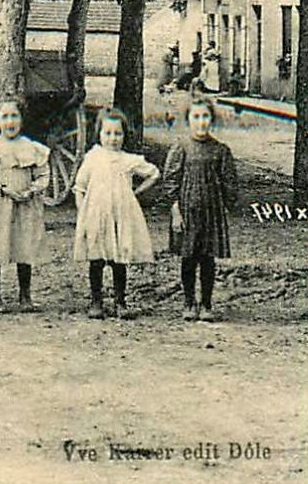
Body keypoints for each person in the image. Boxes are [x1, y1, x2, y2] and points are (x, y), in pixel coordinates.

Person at [72, 107, 160, 319]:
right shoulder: (92, 157)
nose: (113, 138)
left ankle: (120, 301)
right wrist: (82, 214)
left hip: (120, 216)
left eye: (118, 133)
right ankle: (96, 302)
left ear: (124, 135)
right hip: (97, 216)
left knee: (119, 260)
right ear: (99, 134)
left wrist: (135, 194)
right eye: (108, 133)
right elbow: (79, 186)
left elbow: (154, 173)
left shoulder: (128, 160)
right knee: (97, 260)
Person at [162, 97, 240, 322]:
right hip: (187, 211)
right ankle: (189, 302)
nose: (201, 122)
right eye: (196, 117)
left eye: (205, 117)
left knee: (207, 259)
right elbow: (171, 180)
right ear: (188, 120)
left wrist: (227, 205)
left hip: (210, 213)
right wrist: (175, 210)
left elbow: (229, 182)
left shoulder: (220, 150)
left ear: (211, 120)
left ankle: (206, 303)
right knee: (188, 258)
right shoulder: (181, 147)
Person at [0, 95, 49, 313]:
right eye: (5, 117)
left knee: (24, 245)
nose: (10, 122)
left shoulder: (31, 148)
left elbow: (43, 175)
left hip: (25, 204)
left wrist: (32, 190)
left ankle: (25, 294)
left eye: (14, 116)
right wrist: (2, 189)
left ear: (22, 119)